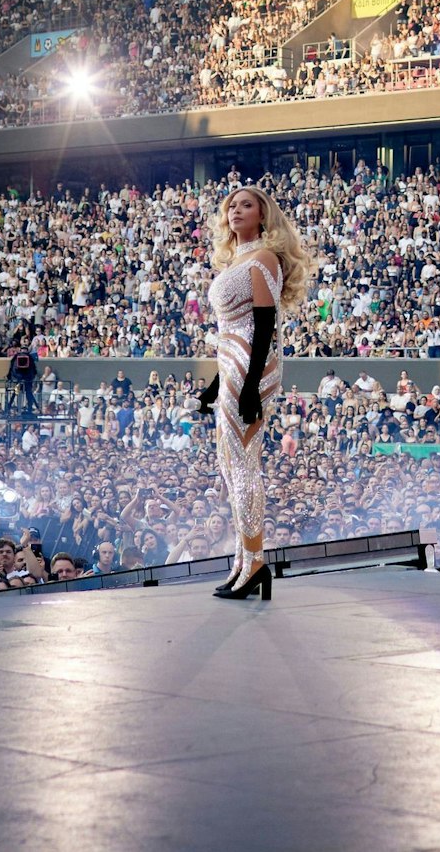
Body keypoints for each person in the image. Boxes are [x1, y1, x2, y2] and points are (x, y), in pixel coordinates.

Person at [197, 184, 315, 602]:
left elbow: (265, 326)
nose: (236, 210)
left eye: (246, 204)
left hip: (252, 367)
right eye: (231, 205)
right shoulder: (237, 259)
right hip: (233, 364)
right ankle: (243, 562)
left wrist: (248, 387)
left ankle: (256, 563)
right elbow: (230, 331)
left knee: (244, 465)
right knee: (230, 468)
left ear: (263, 214)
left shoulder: (264, 258)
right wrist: (214, 385)